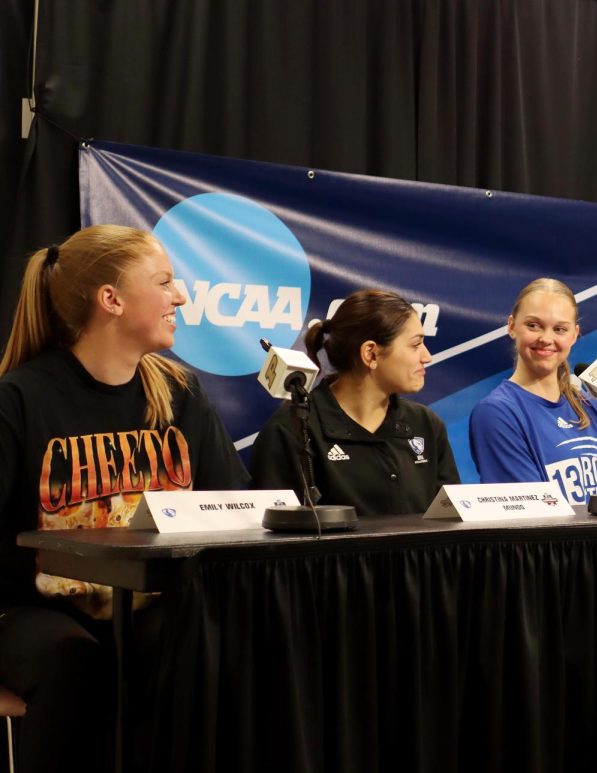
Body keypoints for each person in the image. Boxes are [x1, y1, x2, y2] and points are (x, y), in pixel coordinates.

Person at [0, 225, 249, 772]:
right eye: (164, 282)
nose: (180, 296)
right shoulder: (21, 398)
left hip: (149, 607)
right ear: (110, 300)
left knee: (207, 646)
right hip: (35, 610)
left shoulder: (179, 394)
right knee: (75, 662)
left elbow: (236, 508)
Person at [250, 289, 459, 515]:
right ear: (371, 354)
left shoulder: (426, 425)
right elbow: (275, 541)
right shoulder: (291, 432)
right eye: (415, 345)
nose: (427, 356)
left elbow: (451, 524)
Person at [469, 278, 597, 504]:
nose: (546, 339)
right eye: (533, 325)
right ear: (511, 326)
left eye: (560, 329)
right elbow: (530, 518)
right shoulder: (496, 413)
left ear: (574, 334)